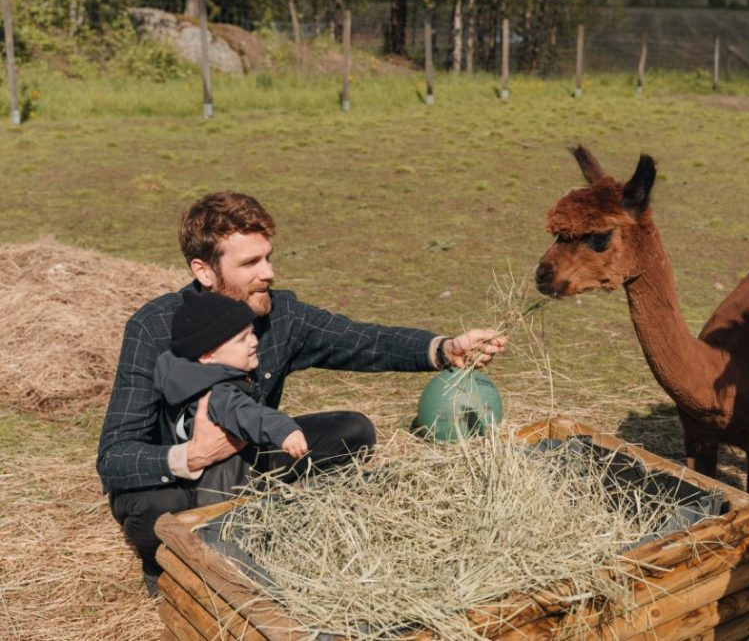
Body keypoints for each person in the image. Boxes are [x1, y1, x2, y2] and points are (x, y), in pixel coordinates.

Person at [96, 192, 506, 595]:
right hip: (177, 481)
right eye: (251, 263)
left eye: (268, 257)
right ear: (204, 271)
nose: (269, 272)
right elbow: (114, 457)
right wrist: (192, 455)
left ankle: (271, 529)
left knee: (353, 431)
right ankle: (169, 568)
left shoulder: (280, 314)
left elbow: (362, 339)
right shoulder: (153, 327)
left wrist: (443, 349)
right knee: (155, 507)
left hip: (249, 459)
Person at [154, 289, 310, 508]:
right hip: (221, 498)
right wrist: (282, 429)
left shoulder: (197, 376)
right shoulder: (214, 391)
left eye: (252, 332)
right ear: (208, 356)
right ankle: (220, 537)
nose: (254, 342)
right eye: (241, 339)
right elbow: (244, 413)